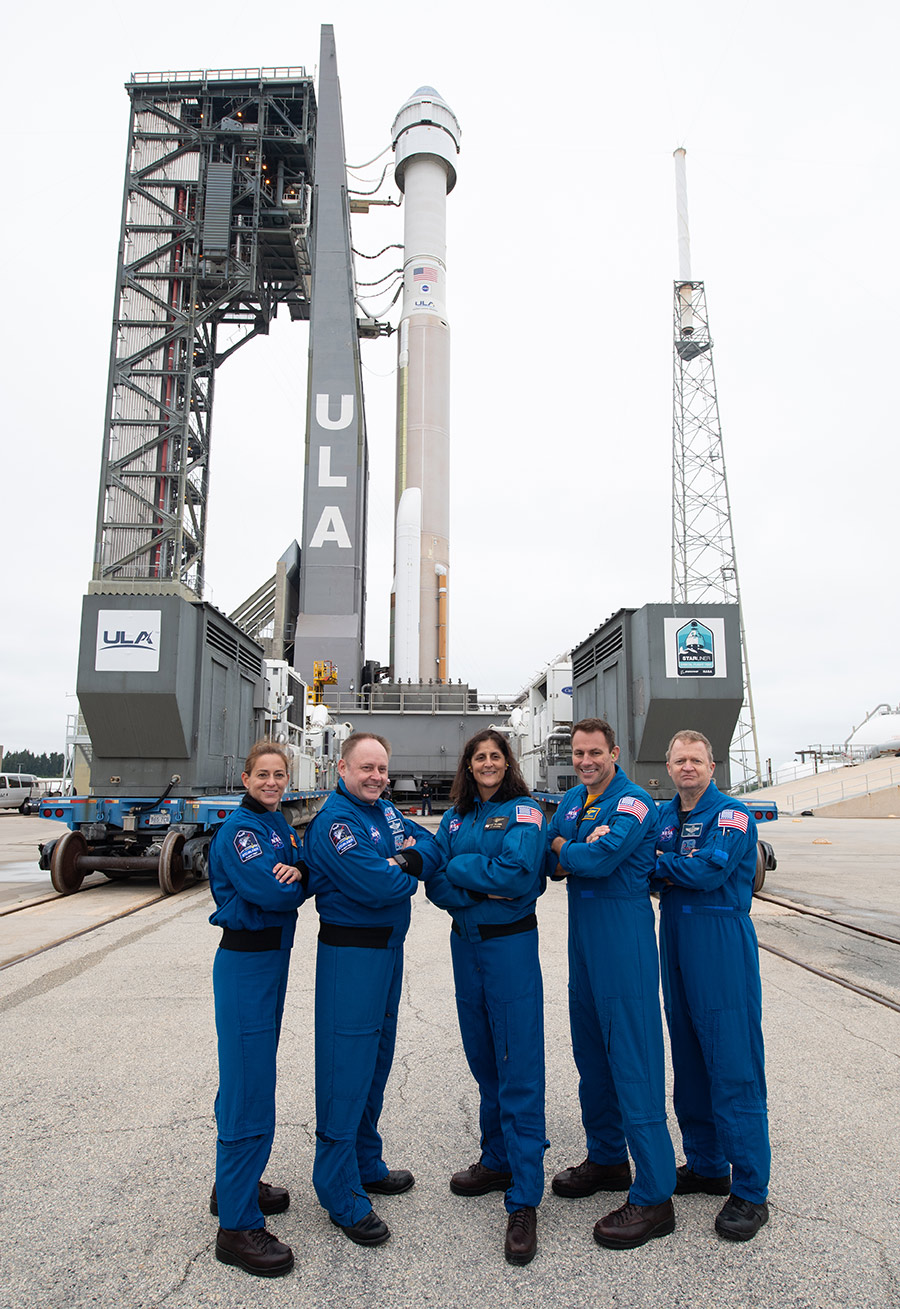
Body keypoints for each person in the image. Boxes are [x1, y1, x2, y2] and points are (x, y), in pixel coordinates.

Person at [303, 732, 442, 1247]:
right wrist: (401, 872)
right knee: (346, 1068)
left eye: (383, 768)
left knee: (376, 1062)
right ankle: (337, 1188)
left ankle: (364, 1161)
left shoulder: (383, 813)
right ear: (342, 768)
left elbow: (430, 846)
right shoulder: (336, 823)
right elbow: (378, 886)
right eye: (367, 768)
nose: (377, 777)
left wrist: (401, 861)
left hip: (387, 952)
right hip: (351, 956)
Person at [547, 718, 676, 1250]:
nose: (586, 761)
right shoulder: (574, 801)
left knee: (633, 1060)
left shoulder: (632, 803)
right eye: (578, 753)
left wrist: (566, 846)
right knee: (593, 1058)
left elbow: (596, 860)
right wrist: (565, 844)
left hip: (623, 940)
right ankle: (606, 1159)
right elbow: (552, 865)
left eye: (595, 752)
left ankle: (654, 1195)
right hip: (584, 939)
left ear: (614, 753)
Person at [426, 730, 547, 1266]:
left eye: (496, 756)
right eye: (480, 757)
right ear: (468, 766)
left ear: (508, 763)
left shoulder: (526, 813)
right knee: (483, 1060)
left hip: (509, 949)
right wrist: (474, 880)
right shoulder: (456, 819)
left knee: (517, 1065)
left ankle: (523, 1198)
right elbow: (435, 885)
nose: (488, 764)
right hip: (465, 949)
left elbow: (520, 876)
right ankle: (496, 1158)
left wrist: (459, 872)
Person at [656, 730, 771, 1241]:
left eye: (695, 760)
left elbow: (708, 871)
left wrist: (662, 869)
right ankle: (706, 1165)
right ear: (668, 766)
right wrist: (665, 871)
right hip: (675, 937)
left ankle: (750, 1190)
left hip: (720, 937)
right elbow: (655, 873)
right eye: (679, 760)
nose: (687, 767)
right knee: (690, 1056)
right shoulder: (665, 815)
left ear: (712, 765)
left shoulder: (731, 815)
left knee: (733, 1062)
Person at [208, 742, 307, 1278]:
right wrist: (297, 881)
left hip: (271, 962)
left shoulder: (279, 826)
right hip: (246, 965)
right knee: (248, 1088)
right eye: (262, 775)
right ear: (245, 778)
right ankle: (237, 1227)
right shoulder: (241, 832)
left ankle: (233, 1185)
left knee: (248, 1077)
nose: (271, 782)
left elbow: (299, 867)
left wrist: (300, 873)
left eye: (279, 775)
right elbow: (272, 892)